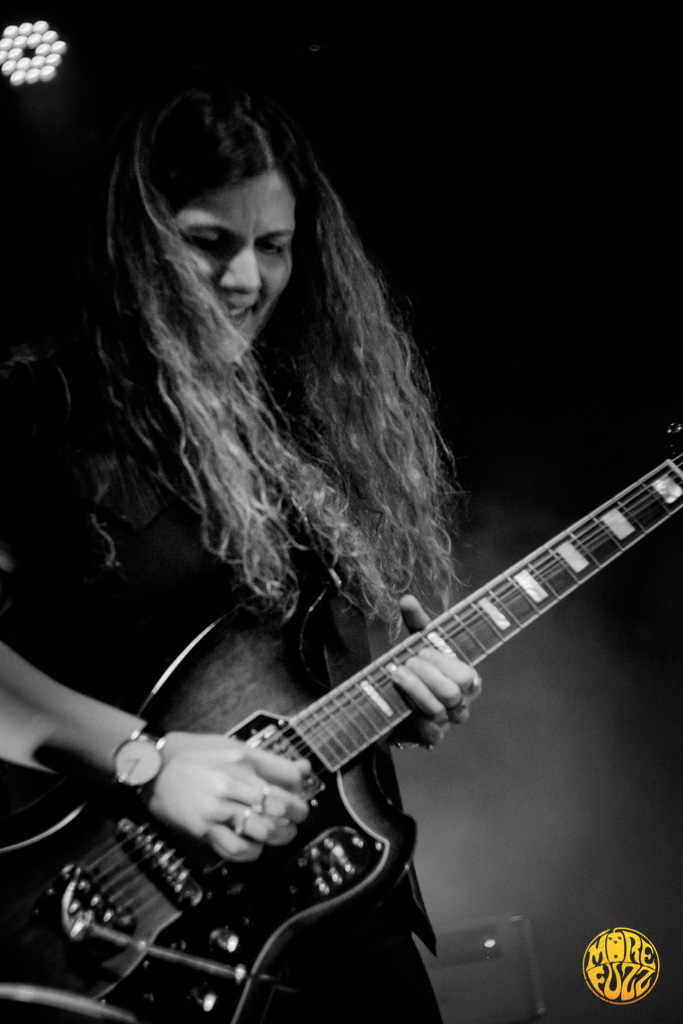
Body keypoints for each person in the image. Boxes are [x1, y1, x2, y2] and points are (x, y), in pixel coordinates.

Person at [0, 70, 482, 1023]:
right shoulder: (39, 410)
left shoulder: (293, 419)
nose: (246, 281)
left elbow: (272, 680)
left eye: (273, 246)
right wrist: (144, 760)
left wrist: (385, 687)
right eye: (208, 243)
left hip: (332, 912)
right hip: (121, 930)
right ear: (134, 239)